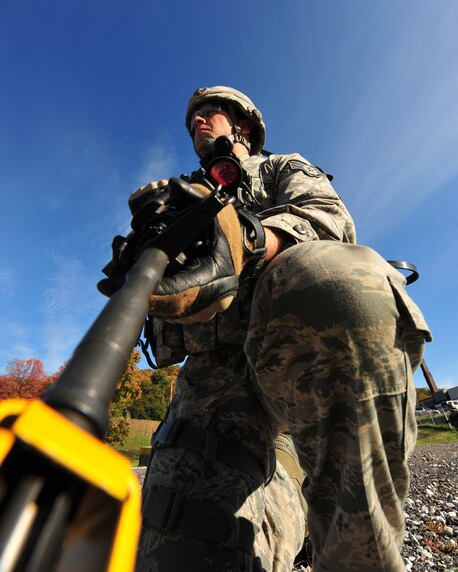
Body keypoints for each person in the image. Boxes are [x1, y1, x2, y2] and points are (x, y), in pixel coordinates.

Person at [117, 86, 431, 571]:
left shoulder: (284, 168)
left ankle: (351, 544)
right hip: (215, 378)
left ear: (242, 125)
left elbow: (328, 220)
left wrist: (247, 240)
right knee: (179, 545)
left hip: (297, 354)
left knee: (341, 282)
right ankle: (289, 483)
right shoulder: (182, 194)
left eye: (211, 113)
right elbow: (168, 337)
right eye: (193, 118)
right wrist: (151, 273)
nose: (199, 121)